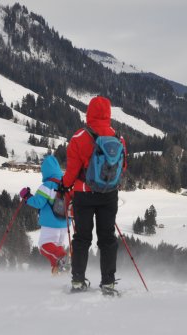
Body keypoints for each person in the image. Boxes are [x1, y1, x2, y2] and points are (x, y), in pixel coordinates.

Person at [60, 96, 126, 295]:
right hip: (108, 195)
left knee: (82, 238)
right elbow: (122, 166)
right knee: (107, 239)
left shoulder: (79, 137)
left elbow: (72, 171)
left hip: (83, 195)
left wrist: (64, 188)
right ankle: (108, 283)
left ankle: (78, 281)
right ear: (108, 113)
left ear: (89, 112)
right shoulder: (118, 137)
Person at [19, 155, 69, 275]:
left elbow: (38, 203)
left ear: (45, 171)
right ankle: (57, 268)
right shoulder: (67, 183)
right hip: (64, 224)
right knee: (57, 246)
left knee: (44, 246)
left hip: (50, 223)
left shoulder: (47, 185)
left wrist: (27, 196)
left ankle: (62, 258)